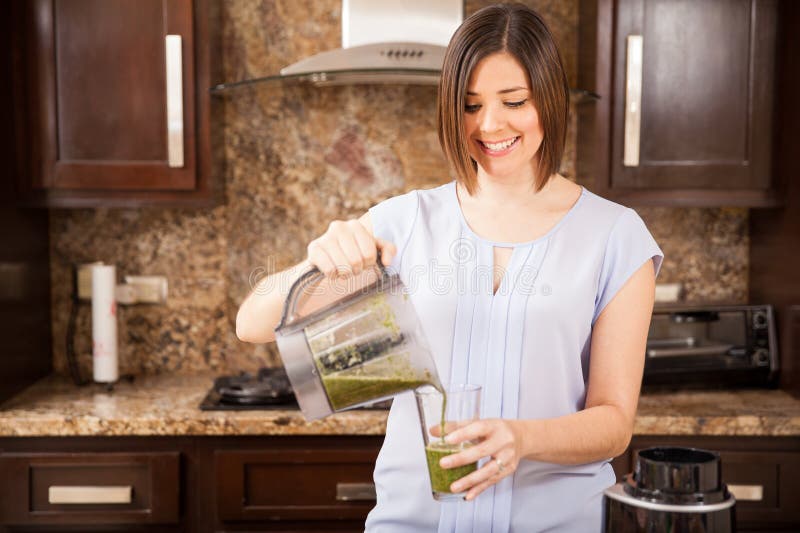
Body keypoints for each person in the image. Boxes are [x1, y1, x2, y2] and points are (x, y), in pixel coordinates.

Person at [236, 3, 663, 531]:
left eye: (514, 101)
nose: (489, 124)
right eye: (470, 105)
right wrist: (319, 262)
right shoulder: (405, 222)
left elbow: (614, 423)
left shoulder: (615, 237)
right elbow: (252, 323)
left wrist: (524, 438)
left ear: (548, 101)